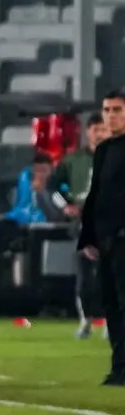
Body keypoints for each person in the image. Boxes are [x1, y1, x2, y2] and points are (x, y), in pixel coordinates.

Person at [79, 89, 125, 386]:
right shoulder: (105, 150)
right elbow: (96, 196)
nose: (111, 116)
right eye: (107, 110)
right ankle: (119, 367)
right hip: (108, 241)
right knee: (111, 304)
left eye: (117, 110)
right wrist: (89, 237)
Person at [50, 113, 110, 339]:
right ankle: (86, 321)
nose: (99, 133)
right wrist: (65, 206)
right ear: (88, 132)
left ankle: (111, 323)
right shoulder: (73, 160)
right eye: (95, 129)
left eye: (103, 129)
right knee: (85, 275)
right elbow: (53, 188)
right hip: (82, 222)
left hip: (111, 222)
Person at [4, 154, 61, 224]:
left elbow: (56, 216)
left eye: (44, 170)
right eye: (37, 170)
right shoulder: (25, 188)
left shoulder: (56, 192)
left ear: (51, 171)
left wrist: (41, 193)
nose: (40, 174)